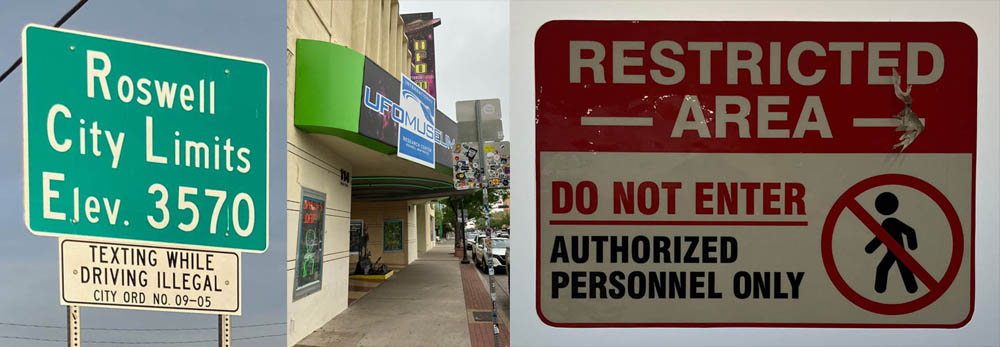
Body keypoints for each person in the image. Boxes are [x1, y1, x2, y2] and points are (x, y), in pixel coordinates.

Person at [864, 192, 919, 293]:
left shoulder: (891, 222)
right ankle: (911, 288)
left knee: (884, 268)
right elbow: (881, 237)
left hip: (898, 251)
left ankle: (910, 288)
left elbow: (910, 231)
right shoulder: (888, 223)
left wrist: (912, 245)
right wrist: (870, 248)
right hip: (894, 252)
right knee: (894, 268)